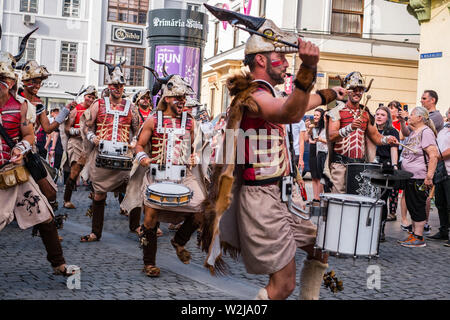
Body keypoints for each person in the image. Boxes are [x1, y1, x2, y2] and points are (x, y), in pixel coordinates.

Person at [201, 4, 347, 300]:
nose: (285, 63)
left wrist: (329, 94)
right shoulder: (253, 95)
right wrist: (308, 69)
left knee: (320, 247)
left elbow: (297, 104)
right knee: (283, 286)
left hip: (281, 196)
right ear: (260, 60)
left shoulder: (267, 94)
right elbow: (290, 112)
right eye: (279, 58)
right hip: (261, 201)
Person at [0, 27, 77, 276]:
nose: (36, 86)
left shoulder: (23, 105)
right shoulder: (23, 99)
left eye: (5, 80)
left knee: (45, 209)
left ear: (11, 82)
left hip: (18, 168)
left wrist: (22, 147)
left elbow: (37, 132)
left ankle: (59, 263)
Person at [129, 69, 204, 278]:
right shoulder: (153, 120)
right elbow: (139, 145)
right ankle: (149, 262)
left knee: (202, 207)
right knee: (150, 218)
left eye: (184, 98)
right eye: (178, 97)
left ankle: (179, 241)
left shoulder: (190, 121)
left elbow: (196, 149)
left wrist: (194, 157)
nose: (182, 101)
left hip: (183, 174)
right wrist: (143, 158)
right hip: (157, 173)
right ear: (167, 97)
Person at [79, 58, 139, 243]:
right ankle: (95, 232)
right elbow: (86, 125)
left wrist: (134, 141)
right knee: (99, 193)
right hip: (102, 155)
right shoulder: (99, 104)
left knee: (134, 189)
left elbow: (139, 130)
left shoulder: (131, 107)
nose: (118, 88)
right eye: (115, 85)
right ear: (109, 85)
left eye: (121, 85)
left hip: (124, 155)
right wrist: (92, 137)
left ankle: (136, 226)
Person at [327, 72, 398, 194]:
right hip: (340, 164)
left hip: (359, 165)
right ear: (347, 91)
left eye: (360, 90)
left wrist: (387, 139)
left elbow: (375, 137)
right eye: (354, 89)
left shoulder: (365, 114)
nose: (358, 93)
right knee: (337, 199)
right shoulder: (337, 111)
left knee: (356, 199)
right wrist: (350, 128)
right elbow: (332, 136)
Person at [398, 107, 439, 248]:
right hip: (410, 176)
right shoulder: (415, 131)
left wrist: (429, 176)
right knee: (412, 204)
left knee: (418, 205)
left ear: (420, 117)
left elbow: (433, 155)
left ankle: (419, 237)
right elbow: (404, 133)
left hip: (419, 176)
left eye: (412, 115)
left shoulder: (426, 132)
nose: (409, 117)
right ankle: (414, 234)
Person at [63, 86, 98, 209]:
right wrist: (78, 131)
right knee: (75, 170)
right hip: (77, 143)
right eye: (89, 96)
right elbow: (67, 128)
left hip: (91, 144)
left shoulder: (95, 110)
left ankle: (96, 199)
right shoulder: (76, 109)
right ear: (84, 97)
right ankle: (66, 199)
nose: (90, 99)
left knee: (95, 172)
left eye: (93, 97)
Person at [374, 106, 399, 241]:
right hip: (372, 165)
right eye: (377, 114)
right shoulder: (371, 130)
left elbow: (394, 149)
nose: (378, 116)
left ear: (388, 117)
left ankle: (380, 230)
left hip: (386, 166)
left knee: (382, 199)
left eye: (382, 115)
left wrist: (394, 166)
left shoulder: (392, 131)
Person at [427, 108, 450, 244]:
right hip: (440, 169)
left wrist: (437, 157)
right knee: (441, 203)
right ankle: (443, 231)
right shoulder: (444, 129)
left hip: (448, 169)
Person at [305, 108, 327, 201]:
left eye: (317, 115)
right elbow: (307, 139)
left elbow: (318, 140)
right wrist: (308, 128)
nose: (315, 117)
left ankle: (320, 198)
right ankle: (315, 198)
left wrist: (315, 140)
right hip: (313, 151)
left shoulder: (325, 127)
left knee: (320, 177)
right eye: (314, 115)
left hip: (321, 152)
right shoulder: (314, 126)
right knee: (314, 176)